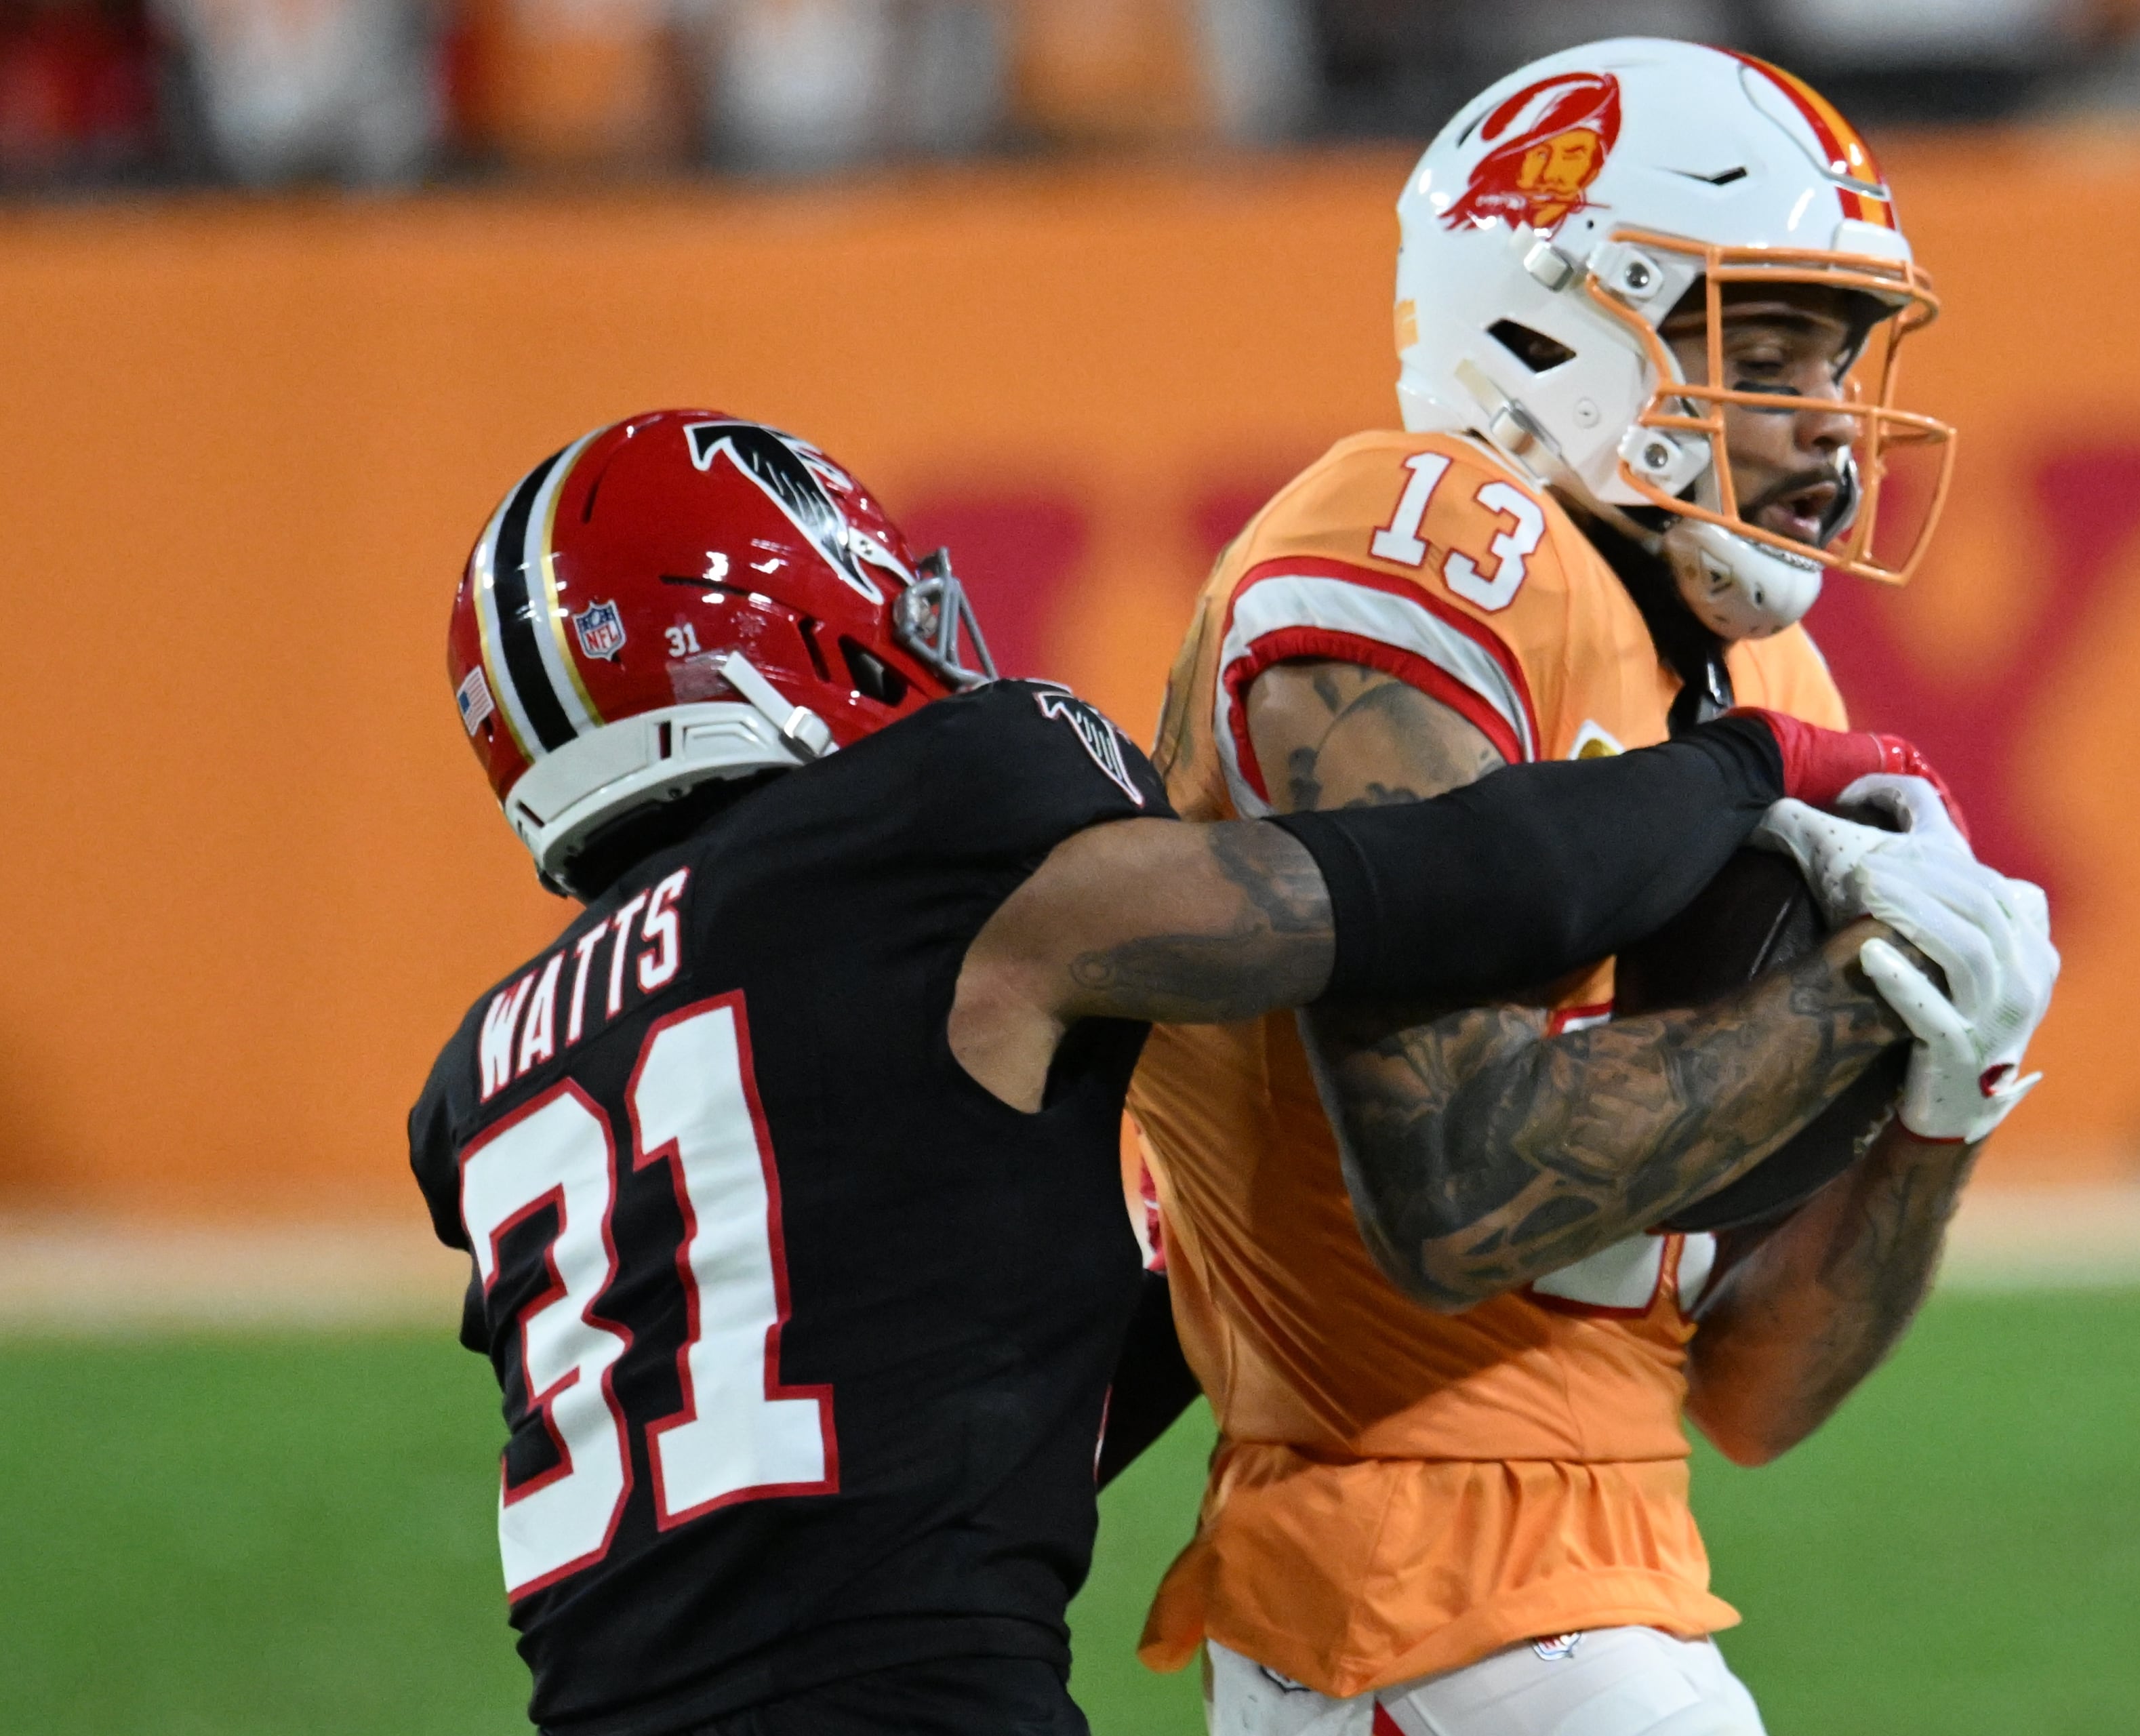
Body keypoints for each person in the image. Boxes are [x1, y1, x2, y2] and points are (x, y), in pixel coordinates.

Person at [406, 407, 2008, 1736]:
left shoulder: (483, 1076)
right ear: (781, 634)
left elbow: (996, 1384)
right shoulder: (922, 832)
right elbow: (1409, 890)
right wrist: (1749, 763)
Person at [1126, 38, 2057, 1733]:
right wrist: (1851, 989)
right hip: (1411, 1582)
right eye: (1761, 348)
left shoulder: (1776, 691)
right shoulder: (1422, 546)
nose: (1826, 426)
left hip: (1597, 1583)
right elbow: (1459, 1200)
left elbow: (1756, 1393)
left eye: (1838, 362)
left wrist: (1948, 1087)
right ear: (1545, 316)